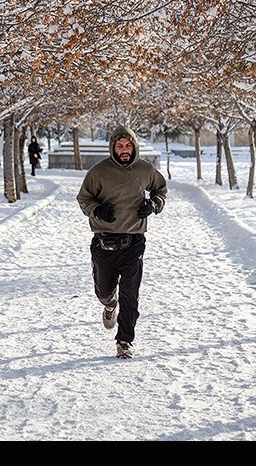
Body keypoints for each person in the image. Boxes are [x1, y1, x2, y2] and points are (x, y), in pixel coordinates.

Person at [76, 125, 167, 359]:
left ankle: (125, 341)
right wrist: (97, 210)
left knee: (131, 293)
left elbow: (160, 190)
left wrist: (153, 205)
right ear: (113, 148)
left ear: (134, 146)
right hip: (104, 241)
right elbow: (84, 198)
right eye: (120, 146)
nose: (124, 150)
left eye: (128, 145)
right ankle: (109, 305)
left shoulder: (145, 169)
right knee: (105, 290)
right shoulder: (99, 172)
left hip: (134, 241)